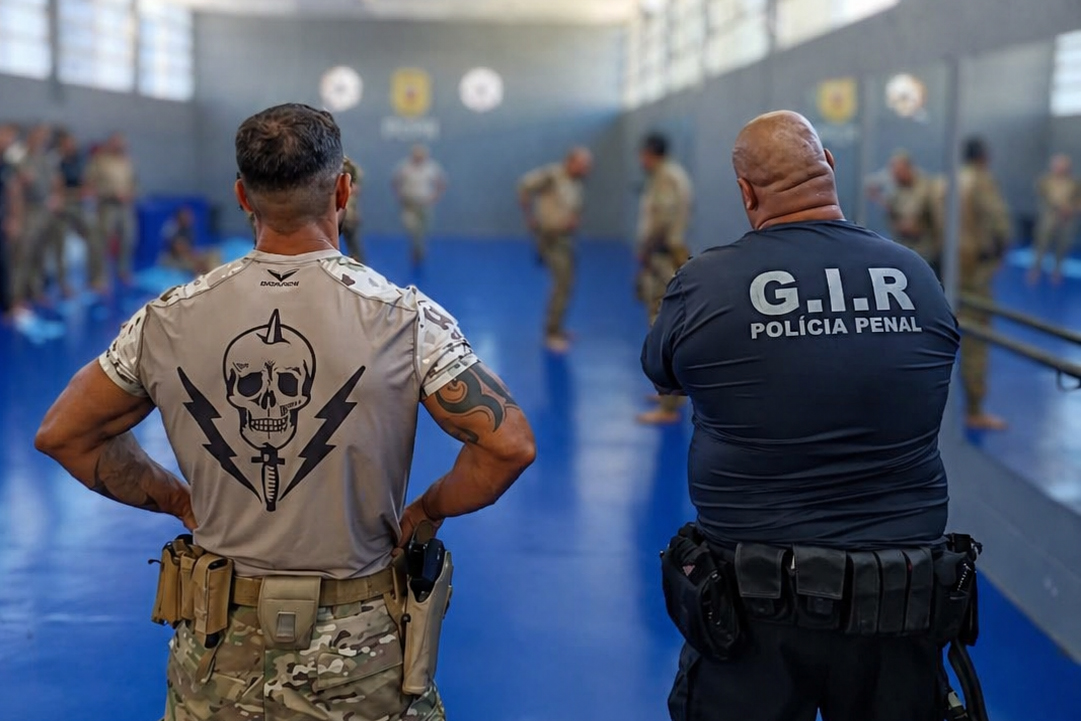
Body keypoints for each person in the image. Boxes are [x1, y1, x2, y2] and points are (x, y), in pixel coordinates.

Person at [35, 103, 536, 721]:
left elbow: (64, 434)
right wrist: (427, 510)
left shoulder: (165, 319)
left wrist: (177, 500)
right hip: (364, 660)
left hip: (216, 656)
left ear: (242, 196)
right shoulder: (407, 319)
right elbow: (509, 444)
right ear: (343, 190)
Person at [643, 111, 963, 721]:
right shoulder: (914, 275)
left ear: (746, 193)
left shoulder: (706, 282)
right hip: (898, 602)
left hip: (753, 610)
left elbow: (663, 373)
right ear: (830, 167)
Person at [636, 132, 694, 425]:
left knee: (662, 324)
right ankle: (672, 394)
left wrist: (646, 249)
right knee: (666, 321)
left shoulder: (665, 177)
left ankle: (669, 406)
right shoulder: (672, 174)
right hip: (665, 253)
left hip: (662, 255)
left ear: (649, 153)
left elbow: (661, 220)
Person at [958, 136, 1011, 431]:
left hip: (949, 270)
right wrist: (999, 253)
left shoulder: (948, 181)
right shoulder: (981, 182)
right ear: (984, 157)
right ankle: (975, 409)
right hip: (975, 271)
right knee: (976, 339)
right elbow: (999, 222)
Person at [517, 147, 593, 353]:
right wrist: (530, 218)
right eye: (583, 165)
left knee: (567, 284)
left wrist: (574, 219)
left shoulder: (576, 182)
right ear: (571, 162)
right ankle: (551, 333)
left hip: (566, 239)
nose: (587, 169)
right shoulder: (551, 176)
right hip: (551, 238)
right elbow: (524, 186)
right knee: (561, 284)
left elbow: (574, 206)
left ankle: (558, 327)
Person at [11, 123, 65, 306]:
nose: (42, 140)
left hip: (45, 210)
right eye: (39, 136)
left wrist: (56, 197)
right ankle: (16, 297)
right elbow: (15, 187)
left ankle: (36, 291)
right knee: (23, 255)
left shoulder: (45, 159)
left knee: (40, 254)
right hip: (28, 210)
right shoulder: (19, 158)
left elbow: (56, 180)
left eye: (45, 137)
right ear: (31, 137)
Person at [872, 150, 945, 278]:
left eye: (898, 171)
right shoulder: (897, 191)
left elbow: (934, 220)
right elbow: (893, 215)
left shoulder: (927, 188)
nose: (895, 175)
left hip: (926, 253)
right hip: (904, 251)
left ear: (907, 168)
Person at [86, 132, 137, 287]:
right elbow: (90, 184)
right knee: (101, 241)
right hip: (107, 205)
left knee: (128, 238)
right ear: (110, 144)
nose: (120, 146)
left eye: (122, 143)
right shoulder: (100, 161)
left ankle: (123, 271)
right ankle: (98, 277)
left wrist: (131, 193)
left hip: (125, 206)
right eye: (117, 142)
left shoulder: (126, 162)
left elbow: (133, 182)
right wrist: (110, 193)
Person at [1028, 154, 1078, 286]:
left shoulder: (1073, 184)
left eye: (1063, 166)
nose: (1059, 168)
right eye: (1057, 165)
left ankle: (1057, 271)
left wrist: (1071, 209)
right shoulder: (1046, 181)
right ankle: (1035, 269)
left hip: (1065, 219)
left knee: (1062, 246)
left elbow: (1078, 201)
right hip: (1048, 217)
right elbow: (1041, 193)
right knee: (1041, 243)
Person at [392, 144, 446, 266]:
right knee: (410, 226)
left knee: (423, 227)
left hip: (424, 202)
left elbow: (441, 182)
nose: (419, 158)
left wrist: (435, 196)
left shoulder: (431, 167)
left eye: (421, 156)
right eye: (416, 155)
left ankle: (419, 249)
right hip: (409, 202)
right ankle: (415, 247)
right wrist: (399, 195)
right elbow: (395, 181)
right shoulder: (405, 167)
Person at [159, 206, 218, 275]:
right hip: (172, 259)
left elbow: (190, 249)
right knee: (198, 265)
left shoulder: (188, 228)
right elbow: (181, 250)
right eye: (186, 216)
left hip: (185, 255)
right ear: (180, 218)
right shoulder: (173, 230)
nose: (190, 218)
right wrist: (197, 260)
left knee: (212, 253)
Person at [340, 156, 365, 263]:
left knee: (353, 243)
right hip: (334, 215)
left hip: (348, 216)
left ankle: (359, 264)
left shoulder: (349, 166)